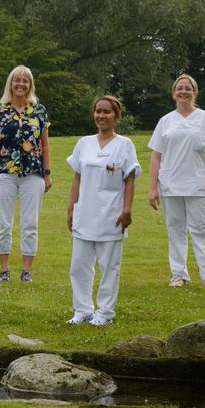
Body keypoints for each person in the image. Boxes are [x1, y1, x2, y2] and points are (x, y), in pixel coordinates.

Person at [66, 95, 140, 326]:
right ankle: (83, 310)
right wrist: (71, 207)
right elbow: (77, 177)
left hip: (111, 213)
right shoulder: (84, 143)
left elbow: (129, 179)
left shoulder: (125, 144)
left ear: (116, 116)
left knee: (109, 266)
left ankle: (105, 313)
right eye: (98, 111)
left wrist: (127, 209)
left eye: (107, 112)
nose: (101, 116)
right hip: (84, 212)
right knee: (79, 265)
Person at [148, 74, 205, 288]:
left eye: (187, 88)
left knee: (201, 230)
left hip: (197, 184)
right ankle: (178, 275)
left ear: (194, 91)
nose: (183, 92)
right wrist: (153, 188)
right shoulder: (165, 121)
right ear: (174, 93)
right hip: (170, 185)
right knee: (175, 230)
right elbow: (156, 156)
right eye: (179, 88)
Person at [0, 65, 52, 284]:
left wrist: (47, 173)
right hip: (4, 172)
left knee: (30, 223)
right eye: (17, 80)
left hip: (33, 173)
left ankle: (26, 270)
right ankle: (4, 269)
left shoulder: (39, 111)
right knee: (4, 223)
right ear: (10, 84)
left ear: (30, 85)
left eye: (25, 81)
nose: (21, 84)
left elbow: (45, 144)